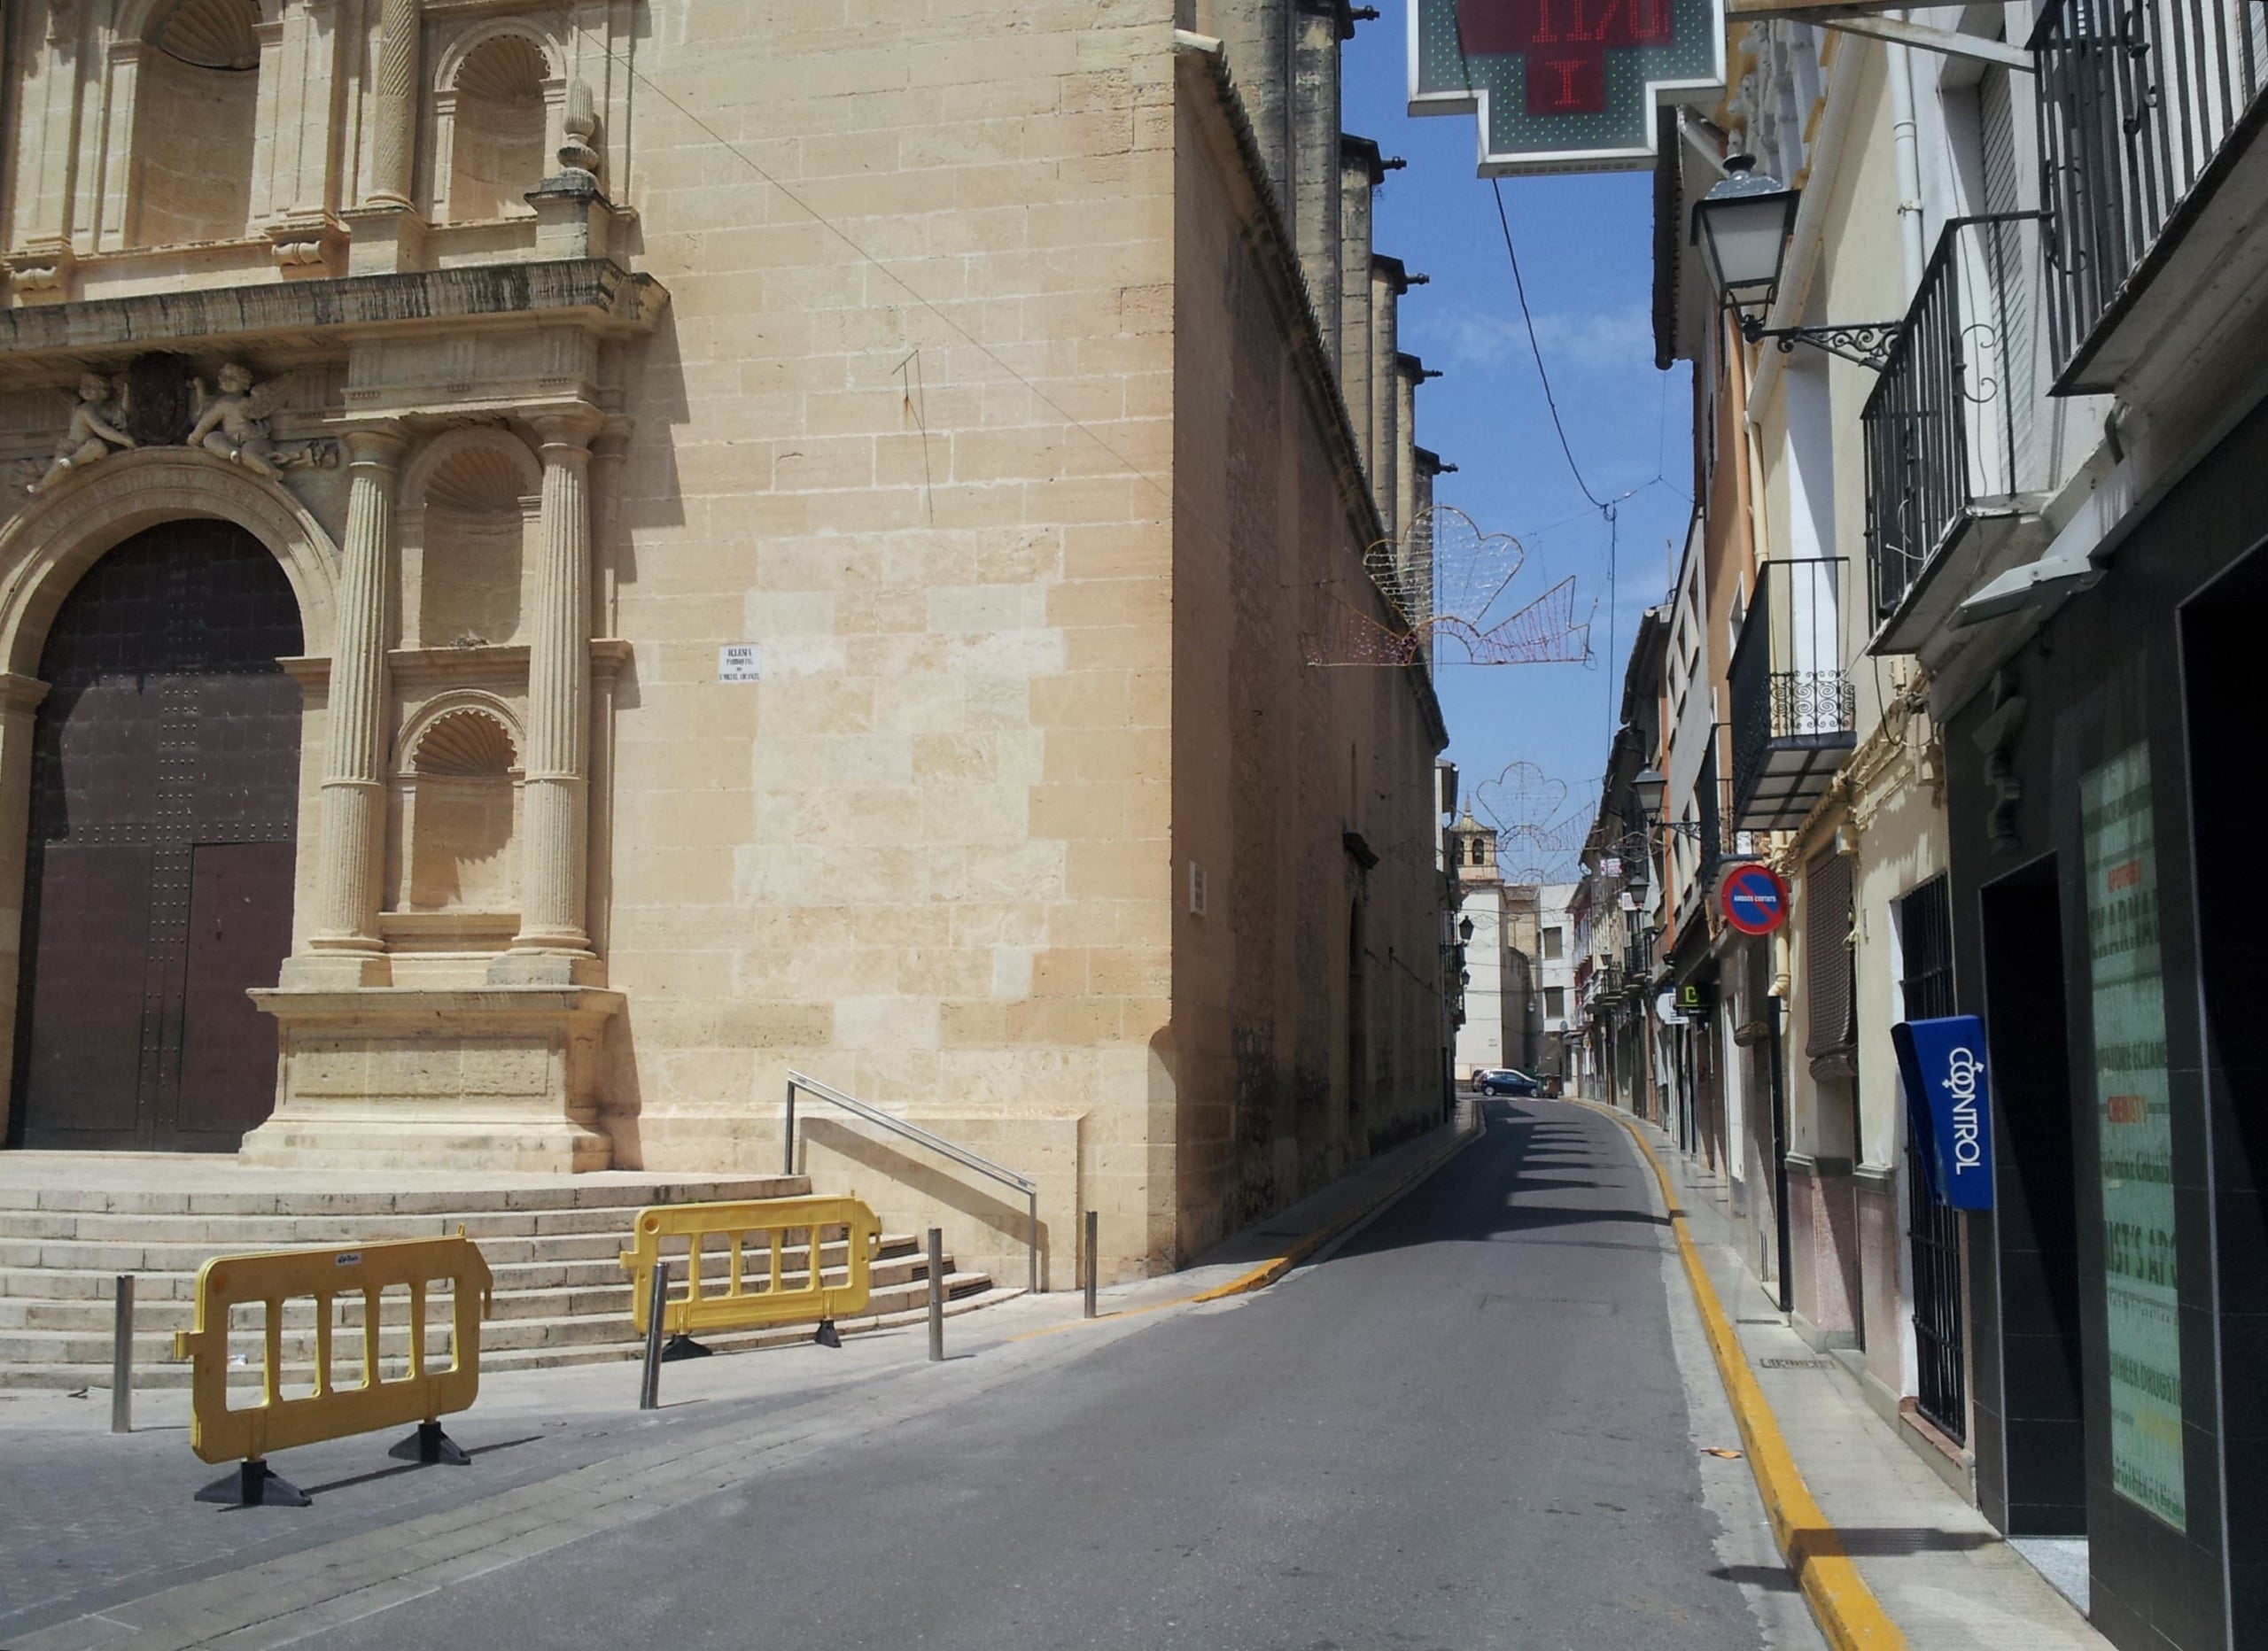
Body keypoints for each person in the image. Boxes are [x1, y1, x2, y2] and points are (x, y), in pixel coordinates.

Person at [29, 374, 136, 492]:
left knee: (96, 446)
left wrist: (127, 389)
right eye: (84, 386)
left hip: (87, 449)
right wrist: (124, 440)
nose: (86, 390)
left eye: (92, 386)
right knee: (59, 467)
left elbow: (122, 412)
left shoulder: (105, 408)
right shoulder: (85, 409)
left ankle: (75, 461)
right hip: (71, 448)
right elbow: (100, 428)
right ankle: (42, 485)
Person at [186, 363, 283, 479]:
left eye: (233, 378)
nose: (227, 381)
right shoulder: (223, 403)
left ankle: (272, 472)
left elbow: (205, 424)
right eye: (224, 377)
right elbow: (206, 421)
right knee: (211, 438)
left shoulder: (226, 403)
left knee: (249, 454)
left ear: (245, 383)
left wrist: (193, 439)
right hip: (230, 440)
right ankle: (233, 452)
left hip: (254, 438)